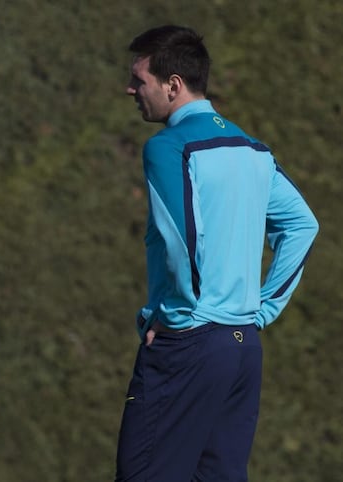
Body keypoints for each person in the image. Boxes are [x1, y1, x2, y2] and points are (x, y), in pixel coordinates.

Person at [115, 25, 318, 481]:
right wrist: (261, 311)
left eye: (139, 80)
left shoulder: (169, 148)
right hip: (242, 349)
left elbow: (181, 239)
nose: (130, 89)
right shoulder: (253, 150)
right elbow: (303, 225)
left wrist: (179, 317)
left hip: (189, 346)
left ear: (173, 85)